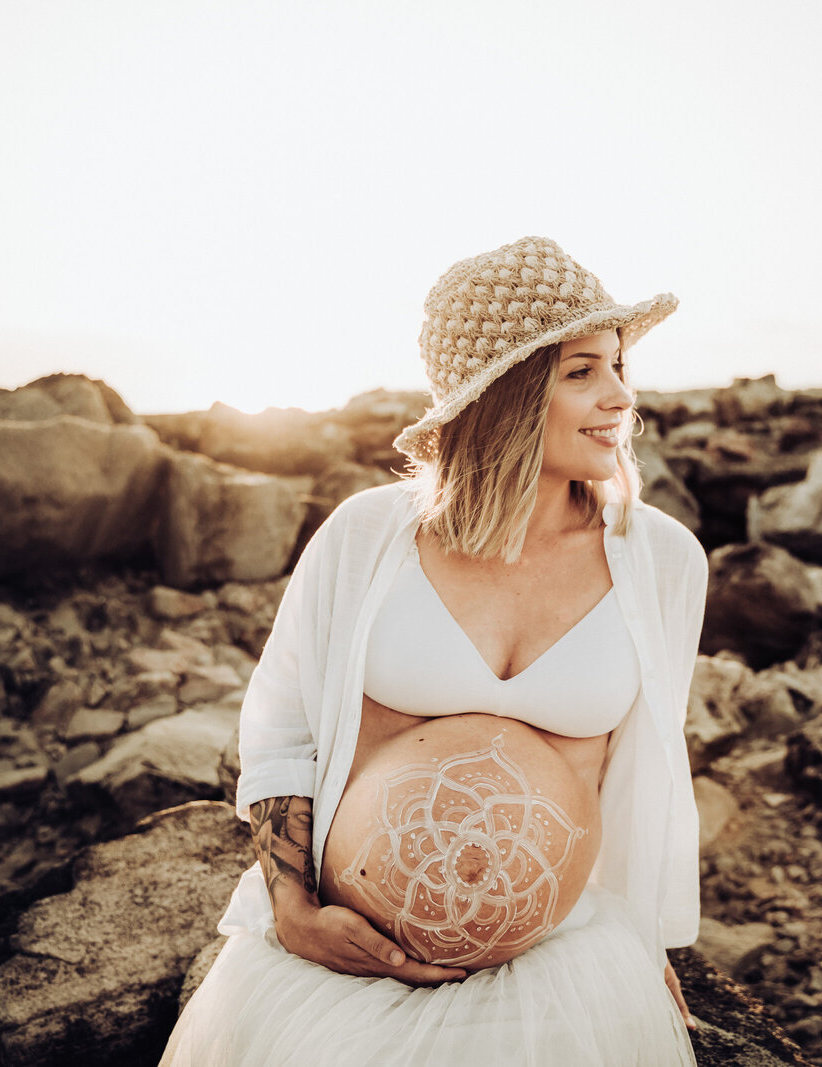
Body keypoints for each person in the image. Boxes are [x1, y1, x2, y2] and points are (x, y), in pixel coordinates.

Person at [159, 236, 708, 1066]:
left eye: (620, 366)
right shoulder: (365, 538)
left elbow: (646, 772)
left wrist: (648, 948)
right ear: (506, 397)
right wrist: (292, 908)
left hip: (560, 960)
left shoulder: (664, 562)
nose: (621, 397)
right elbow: (280, 729)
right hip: (344, 957)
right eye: (583, 371)